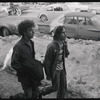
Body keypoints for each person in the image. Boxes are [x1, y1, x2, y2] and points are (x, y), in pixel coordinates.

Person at [11, 19, 42, 98]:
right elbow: (14, 63)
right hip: (25, 77)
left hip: (33, 74)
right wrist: (25, 69)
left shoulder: (31, 42)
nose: (33, 32)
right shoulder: (19, 46)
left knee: (36, 93)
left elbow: (31, 59)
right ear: (24, 32)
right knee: (28, 95)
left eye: (33, 30)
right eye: (30, 30)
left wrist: (36, 65)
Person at [42, 25, 70, 98]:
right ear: (57, 34)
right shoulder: (51, 46)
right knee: (55, 87)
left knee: (63, 88)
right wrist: (48, 75)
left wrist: (66, 46)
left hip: (62, 69)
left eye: (65, 32)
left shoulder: (63, 43)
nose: (65, 34)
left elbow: (66, 55)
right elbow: (46, 62)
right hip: (55, 70)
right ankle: (41, 91)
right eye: (63, 33)